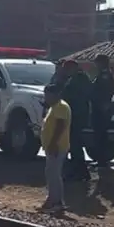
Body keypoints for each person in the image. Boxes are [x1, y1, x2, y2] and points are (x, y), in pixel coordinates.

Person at [41, 83, 71, 214]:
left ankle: (57, 202)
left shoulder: (61, 107)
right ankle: (51, 199)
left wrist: (53, 143)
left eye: (48, 94)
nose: (46, 97)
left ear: (55, 94)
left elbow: (60, 127)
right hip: (52, 146)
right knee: (50, 173)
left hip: (58, 146)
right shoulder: (54, 107)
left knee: (54, 174)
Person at [60, 60, 92, 181]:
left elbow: (78, 96)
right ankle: (81, 171)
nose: (65, 71)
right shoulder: (73, 79)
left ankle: (78, 171)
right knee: (73, 145)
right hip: (73, 115)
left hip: (77, 116)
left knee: (75, 145)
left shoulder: (80, 79)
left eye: (67, 69)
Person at [90, 54, 114, 168]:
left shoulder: (105, 75)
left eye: (97, 62)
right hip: (100, 107)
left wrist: (102, 104)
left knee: (100, 134)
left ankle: (102, 160)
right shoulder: (102, 74)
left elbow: (105, 92)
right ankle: (101, 159)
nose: (95, 65)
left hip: (102, 108)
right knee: (99, 134)